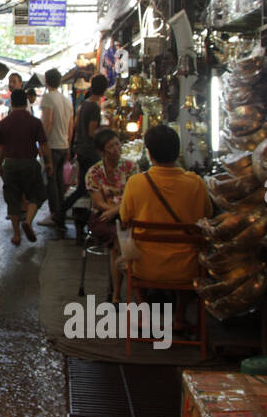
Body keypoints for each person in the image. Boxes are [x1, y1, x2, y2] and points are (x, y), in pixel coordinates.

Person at [119, 125, 212, 287]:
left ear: (149, 154)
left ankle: (144, 307)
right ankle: (180, 312)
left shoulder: (136, 183)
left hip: (145, 266)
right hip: (187, 268)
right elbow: (207, 215)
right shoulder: (196, 183)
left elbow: (124, 218)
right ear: (177, 152)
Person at [0, 88, 52, 245]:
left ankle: (16, 235)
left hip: (10, 164)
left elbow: (0, 147)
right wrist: (48, 162)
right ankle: (28, 220)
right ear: (26, 102)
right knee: (36, 194)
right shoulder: (34, 121)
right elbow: (44, 144)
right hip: (29, 163)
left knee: (13, 199)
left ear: (11, 103)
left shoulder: (4, 123)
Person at [85, 127, 136, 297]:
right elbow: (98, 203)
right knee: (117, 240)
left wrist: (117, 210)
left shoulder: (130, 167)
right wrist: (116, 211)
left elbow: (136, 196)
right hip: (102, 217)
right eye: (111, 147)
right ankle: (117, 293)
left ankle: (117, 293)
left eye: (117, 144)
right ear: (102, 151)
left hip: (126, 214)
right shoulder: (94, 172)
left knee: (124, 240)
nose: (117, 150)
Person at [62, 73, 108, 238]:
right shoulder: (94, 107)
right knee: (89, 188)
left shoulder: (84, 104)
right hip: (90, 151)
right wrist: (106, 131)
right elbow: (92, 131)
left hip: (81, 149)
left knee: (84, 187)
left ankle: (65, 213)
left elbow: (76, 124)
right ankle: (67, 214)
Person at [38, 67, 73, 234]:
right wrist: (68, 144)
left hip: (51, 146)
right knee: (59, 183)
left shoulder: (48, 97)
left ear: (46, 81)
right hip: (63, 145)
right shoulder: (67, 100)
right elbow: (70, 126)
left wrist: (41, 144)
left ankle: (54, 216)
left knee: (51, 182)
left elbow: (47, 122)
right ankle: (61, 215)